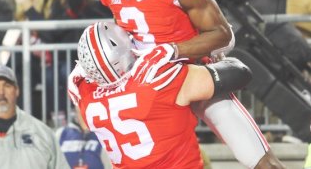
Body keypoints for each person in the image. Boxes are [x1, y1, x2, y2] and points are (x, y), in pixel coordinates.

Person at [88, 0, 284, 168]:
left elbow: (223, 35)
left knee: (260, 161)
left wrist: (172, 50)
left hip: (187, 75)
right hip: (147, 86)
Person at [68, 22, 252, 168]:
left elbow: (84, 77)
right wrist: (174, 51)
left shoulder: (85, 96)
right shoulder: (156, 82)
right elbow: (241, 73)